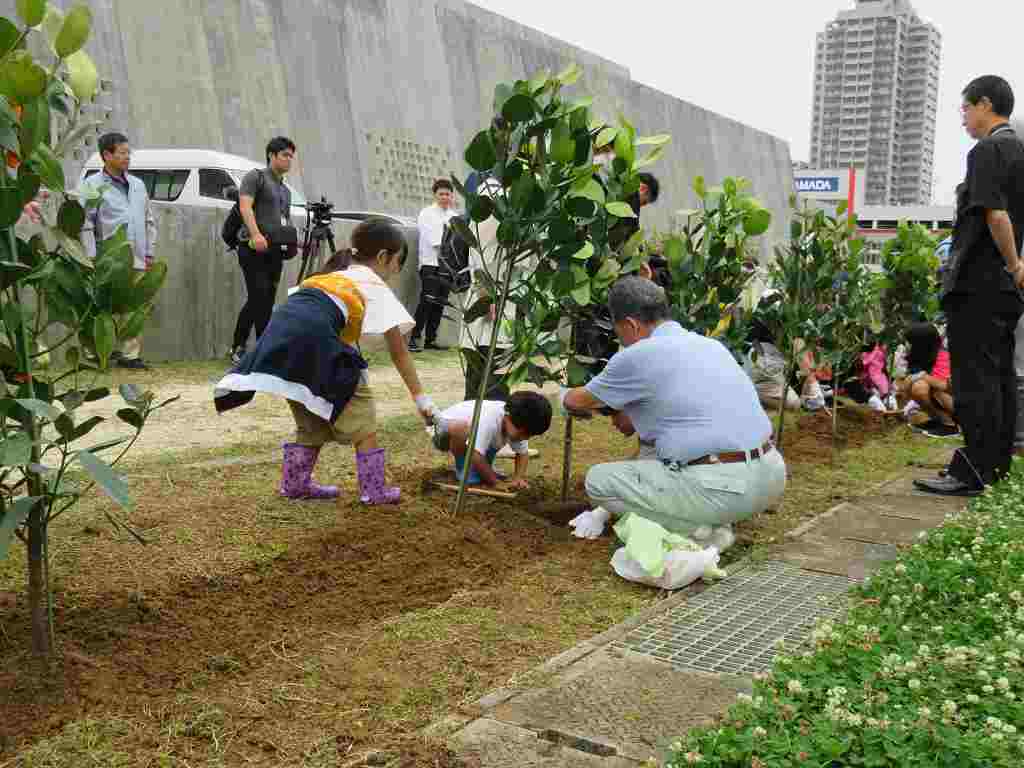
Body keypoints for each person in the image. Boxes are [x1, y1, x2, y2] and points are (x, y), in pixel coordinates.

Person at [560, 277, 787, 576]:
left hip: (727, 489)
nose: (621, 340)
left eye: (618, 332)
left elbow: (578, 400)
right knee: (657, 458)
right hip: (771, 476)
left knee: (599, 480)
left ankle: (704, 530)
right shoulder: (710, 345)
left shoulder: (638, 355)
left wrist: (561, 395)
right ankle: (712, 516)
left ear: (630, 325)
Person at [215, 218, 435, 504]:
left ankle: (295, 485)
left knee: (311, 418)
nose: (396, 271)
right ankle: (374, 490)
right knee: (363, 414)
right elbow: (399, 351)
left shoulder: (331, 275)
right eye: (398, 262)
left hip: (281, 338)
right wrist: (421, 400)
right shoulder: (373, 283)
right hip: (312, 340)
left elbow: (313, 316)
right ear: (383, 257)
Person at [917, 76, 1024, 496]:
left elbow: (995, 214)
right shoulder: (1020, 153)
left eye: (965, 109)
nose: (963, 118)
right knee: (999, 377)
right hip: (1004, 290)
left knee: (974, 380)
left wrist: (1013, 261)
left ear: (984, 104)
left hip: (978, 284)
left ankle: (973, 472)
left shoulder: (989, 150)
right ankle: (994, 467)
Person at [81, 132, 158, 370]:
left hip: (136, 255)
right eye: (122, 153)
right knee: (99, 305)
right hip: (107, 257)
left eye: (128, 152)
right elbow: (85, 223)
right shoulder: (91, 185)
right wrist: (90, 256)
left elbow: (148, 220)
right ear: (106, 155)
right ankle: (95, 353)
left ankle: (130, 355)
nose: (127, 157)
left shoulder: (137, 185)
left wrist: (149, 252)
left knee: (134, 305)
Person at [229, 137, 298, 365]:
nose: (289, 160)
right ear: (271, 155)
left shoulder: (285, 190)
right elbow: (245, 206)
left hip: (274, 251)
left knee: (265, 299)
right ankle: (243, 348)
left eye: (291, 156)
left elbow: (283, 219)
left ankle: (258, 347)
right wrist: (256, 234)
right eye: (285, 155)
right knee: (259, 296)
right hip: (251, 247)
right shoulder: (255, 177)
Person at [431, 392, 552, 489]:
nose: (525, 438)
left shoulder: (519, 421)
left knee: (486, 448)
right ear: (508, 417)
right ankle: (463, 468)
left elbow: (523, 453)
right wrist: (495, 483)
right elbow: (476, 454)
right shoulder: (489, 420)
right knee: (460, 429)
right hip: (443, 432)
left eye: (529, 435)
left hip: (474, 440)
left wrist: (518, 478)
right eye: (523, 433)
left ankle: (482, 469)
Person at [410, 179, 458, 352]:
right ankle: (414, 338)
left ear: (452, 195)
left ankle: (431, 339)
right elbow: (434, 240)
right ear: (435, 195)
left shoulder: (454, 217)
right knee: (427, 301)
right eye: (441, 194)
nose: (445, 197)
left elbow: (458, 242)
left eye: (447, 194)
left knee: (440, 303)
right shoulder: (426, 213)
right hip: (430, 264)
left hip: (447, 267)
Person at [895, 323, 956, 437]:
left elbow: (946, 387)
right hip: (947, 401)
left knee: (922, 387)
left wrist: (921, 376)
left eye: (909, 342)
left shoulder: (942, 356)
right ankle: (939, 420)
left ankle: (950, 425)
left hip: (958, 401)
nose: (906, 345)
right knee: (917, 385)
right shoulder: (921, 357)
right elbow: (905, 385)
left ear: (921, 343)